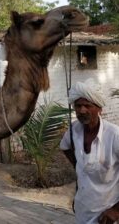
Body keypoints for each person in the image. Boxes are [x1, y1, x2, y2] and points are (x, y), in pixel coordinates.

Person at [60, 79, 119, 224]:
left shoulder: (114, 135)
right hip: (82, 210)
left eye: (87, 105)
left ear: (99, 108)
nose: (82, 110)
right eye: (78, 105)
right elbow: (65, 147)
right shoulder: (74, 131)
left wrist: (116, 210)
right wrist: (81, 167)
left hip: (107, 215)